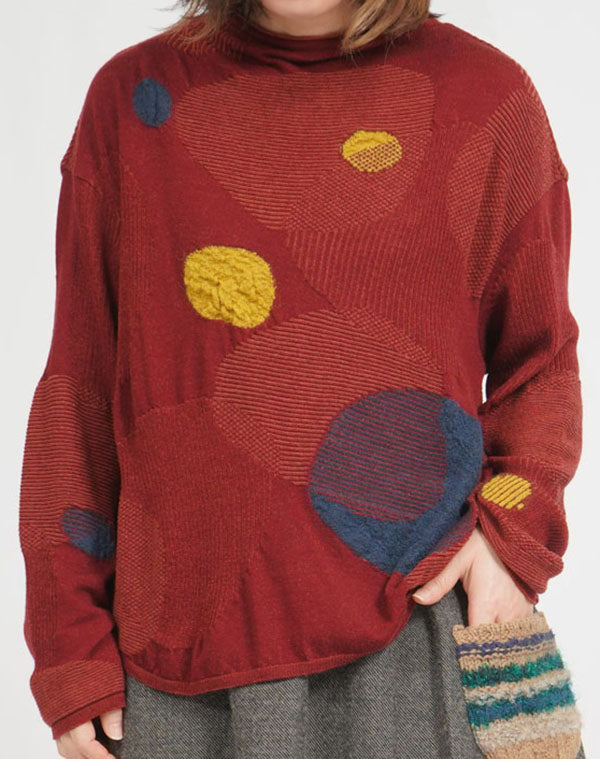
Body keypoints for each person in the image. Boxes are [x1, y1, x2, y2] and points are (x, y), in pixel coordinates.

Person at [18, 1, 586, 757]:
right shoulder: (132, 102)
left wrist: (512, 540)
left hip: (420, 638)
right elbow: (80, 390)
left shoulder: (483, 94)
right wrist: (69, 646)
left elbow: (541, 360)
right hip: (180, 668)